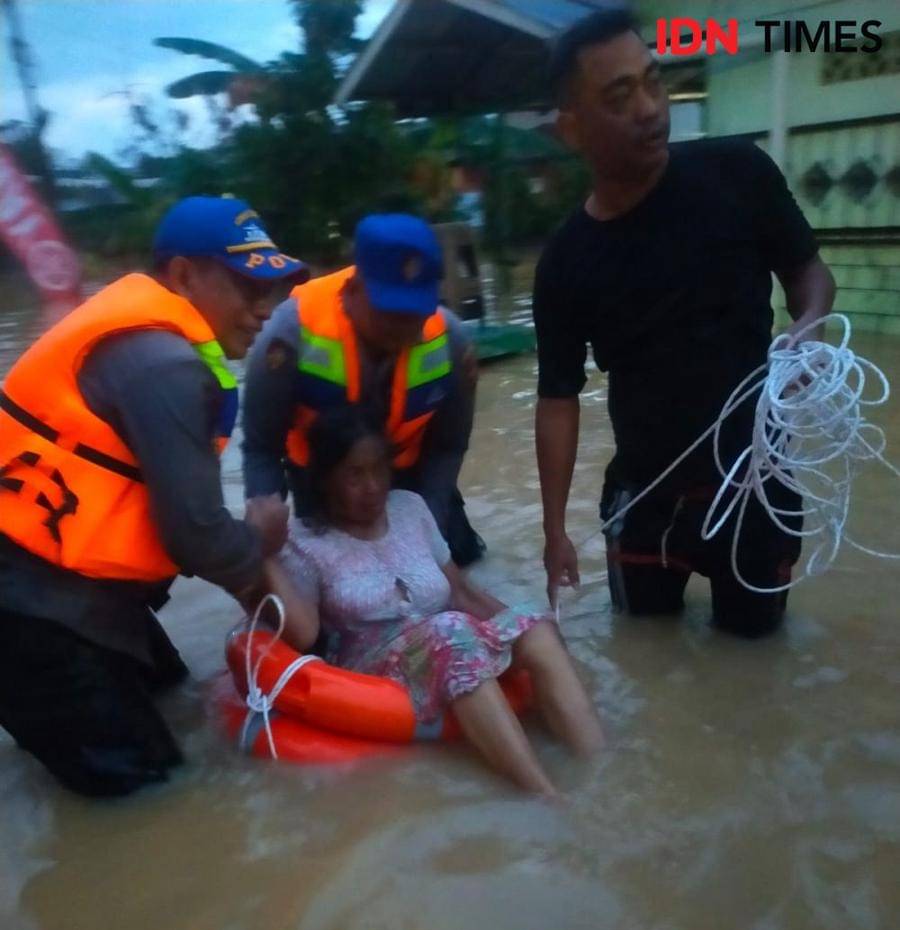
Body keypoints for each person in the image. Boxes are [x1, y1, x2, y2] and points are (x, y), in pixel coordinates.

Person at [534, 7, 836, 637]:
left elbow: (811, 275)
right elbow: (558, 399)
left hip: (756, 484)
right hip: (643, 498)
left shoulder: (739, 173)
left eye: (653, 81)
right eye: (620, 96)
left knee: (755, 664)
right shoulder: (566, 261)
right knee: (643, 660)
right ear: (570, 129)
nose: (649, 108)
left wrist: (808, 327)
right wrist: (555, 529)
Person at [0, 195, 308, 798]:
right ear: (185, 275)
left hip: (65, 592)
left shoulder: (147, 341)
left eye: (272, 289)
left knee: (175, 694)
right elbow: (194, 534)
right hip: (34, 612)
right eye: (248, 287)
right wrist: (260, 541)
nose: (263, 309)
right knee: (152, 797)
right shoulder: (165, 362)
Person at [261, 409, 604, 798]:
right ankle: (546, 795)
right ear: (325, 479)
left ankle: (599, 769)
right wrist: (266, 555)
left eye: (379, 470)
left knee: (534, 624)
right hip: (374, 665)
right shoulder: (304, 541)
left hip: (446, 640)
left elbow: (459, 591)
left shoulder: (409, 508)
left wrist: (522, 628)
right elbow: (303, 633)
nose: (373, 486)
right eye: (354, 475)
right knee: (449, 633)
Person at [242, 212, 486, 568]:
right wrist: (268, 552)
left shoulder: (451, 342)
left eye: (416, 314)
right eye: (391, 314)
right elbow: (262, 449)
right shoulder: (289, 336)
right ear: (353, 290)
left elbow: (448, 447)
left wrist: (425, 532)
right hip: (321, 482)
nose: (406, 331)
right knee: (330, 581)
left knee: (447, 570)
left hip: (409, 477)